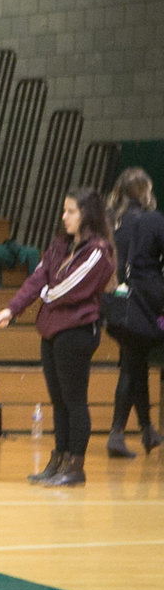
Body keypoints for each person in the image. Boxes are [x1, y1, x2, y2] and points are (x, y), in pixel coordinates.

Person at [0, 189, 115, 488]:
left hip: (76, 333)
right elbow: (38, 278)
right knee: (58, 402)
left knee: (74, 401)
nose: (64, 217)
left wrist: (45, 295)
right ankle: (58, 459)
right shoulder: (59, 245)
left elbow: (66, 289)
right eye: (64, 211)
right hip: (51, 331)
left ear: (86, 215)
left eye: (70, 211)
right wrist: (11, 308)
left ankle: (76, 465)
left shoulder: (98, 251)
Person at [105, 169, 164, 457]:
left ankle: (147, 430)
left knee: (135, 362)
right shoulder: (154, 220)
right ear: (144, 192)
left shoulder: (114, 221)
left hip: (119, 301)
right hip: (146, 302)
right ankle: (116, 434)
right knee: (132, 364)